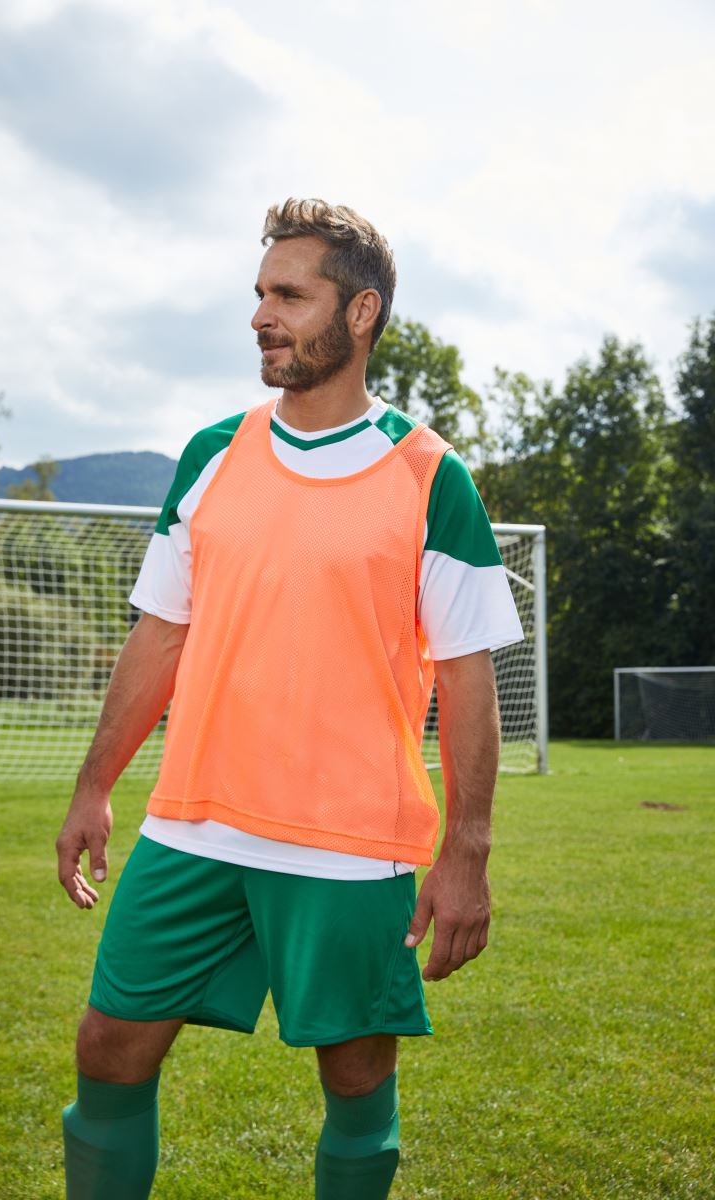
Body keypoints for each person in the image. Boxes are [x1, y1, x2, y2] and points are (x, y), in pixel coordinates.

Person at [56, 198, 524, 1199]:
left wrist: (467, 852)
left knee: (356, 1084)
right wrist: (94, 785)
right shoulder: (212, 454)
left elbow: (467, 676)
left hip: (349, 843)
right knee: (107, 1048)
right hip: (191, 827)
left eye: (288, 295)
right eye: (259, 293)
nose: (261, 316)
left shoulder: (430, 476)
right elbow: (160, 634)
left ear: (360, 313)